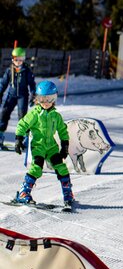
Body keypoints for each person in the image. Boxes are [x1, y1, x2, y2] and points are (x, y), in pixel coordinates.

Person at [13, 80, 74, 208]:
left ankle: (68, 195)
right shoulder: (35, 114)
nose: (45, 103)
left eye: (49, 99)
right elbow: (22, 124)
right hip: (38, 146)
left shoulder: (56, 116)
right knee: (37, 168)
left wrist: (65, 145)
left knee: (61, 167)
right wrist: (19, 138)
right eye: (42, 99)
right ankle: (24, 193)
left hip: (51, 147)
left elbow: (63, 130)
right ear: (37, 99)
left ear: (54, 99)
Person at [0, 47, 36, 149]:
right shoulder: (9, 71)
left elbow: (32, 84)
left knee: (22, 116)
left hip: (22, 95)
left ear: (24, 60)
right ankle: (0, 135)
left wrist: (33, 94)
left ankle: (22, 138)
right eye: (16, 59)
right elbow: (3, 83)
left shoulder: (27, 71)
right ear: (12, 59)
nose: (18, 62)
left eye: (21, 59)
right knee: (4, 113)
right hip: (11, 95)